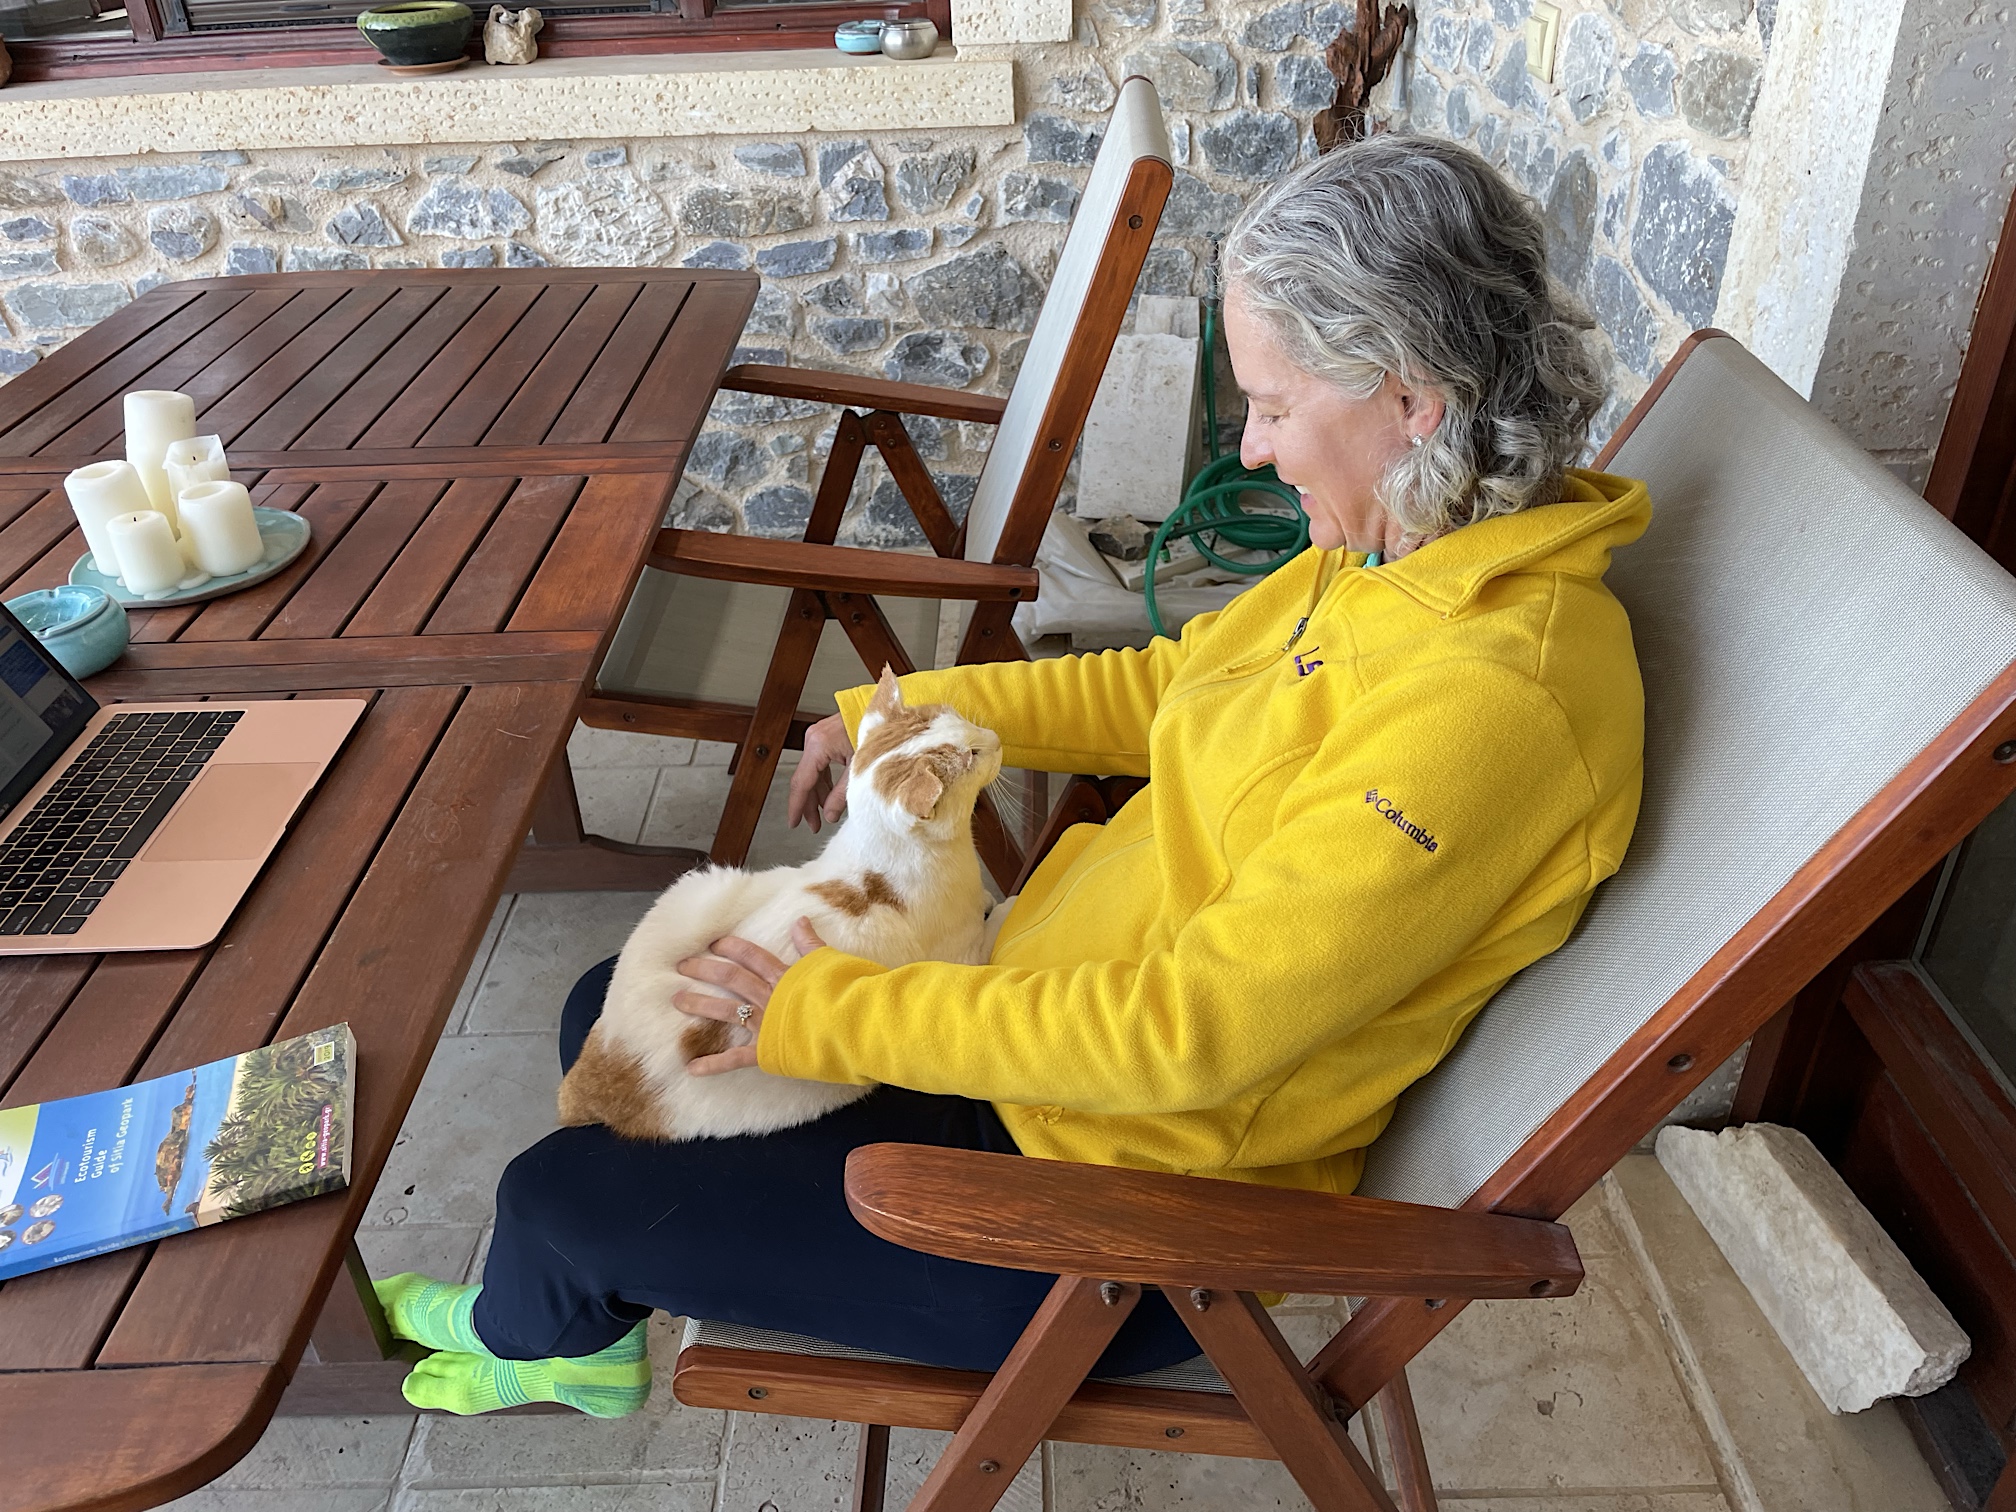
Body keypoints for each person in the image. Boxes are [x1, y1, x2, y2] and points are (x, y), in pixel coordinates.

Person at [372, 133, 1650, 1418]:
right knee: (619, 1002)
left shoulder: (1489, 703)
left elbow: (1188, 1036)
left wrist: (819, 1013)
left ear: (1410, 396)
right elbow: (1168, 690)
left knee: (561, 1195)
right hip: (1040, 1033)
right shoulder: (1406, 548)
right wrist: (910, 706)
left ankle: (547, 1336)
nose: (1252, 452)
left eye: (1270, 407)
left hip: (1111, 1208)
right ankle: (577, 1316)